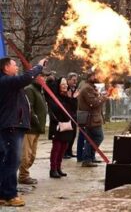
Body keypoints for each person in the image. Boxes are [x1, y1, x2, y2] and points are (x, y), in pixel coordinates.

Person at [0, 56, 45, 207]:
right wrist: (39, 66)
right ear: (6, 68)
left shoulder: (9, 83)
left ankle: (3, 194)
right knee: (12, 161)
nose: (17, 67)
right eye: (14, 65)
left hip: (12, 126)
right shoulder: (6, 81)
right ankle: (10, 195)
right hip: (11, 127)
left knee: (6, 161)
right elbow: (26, 77)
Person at [18, 73, 47, 185]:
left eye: (45, 77)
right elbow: (30, 109)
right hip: (30, 128)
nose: (44, 78)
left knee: (32, 155)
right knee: (26, 154)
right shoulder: (30, 90)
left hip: (37, 129)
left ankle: (24, 173)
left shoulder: (39, 90)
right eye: (42, 76)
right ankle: (23, 176)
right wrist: (37, 123)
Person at [78, 72, 108, 167]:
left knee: (91, 139)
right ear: (90, 77)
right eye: (95, 76)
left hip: (93, 118)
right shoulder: (87, 88)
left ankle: (90, 157)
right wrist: (103, 98)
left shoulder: (90, 87)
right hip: (91, 119)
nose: (97, 77)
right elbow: (93, 103)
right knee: (98, 137)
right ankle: (87, 158)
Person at [48, 77, 74, 178]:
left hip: (67, 126)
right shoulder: (54, 97)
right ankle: (53, 169)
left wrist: (71, 99)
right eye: (63, 84)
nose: (65, 85)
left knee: (63, 148)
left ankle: (59, 168)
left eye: (66, 84)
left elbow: (73, 110)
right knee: (56, 148)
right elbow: (56, 109)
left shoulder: (67, 96)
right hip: (58, 126)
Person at [63, 72, 79, 159]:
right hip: (67, 115)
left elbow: (75, 104)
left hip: (74, 115)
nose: (75, 81)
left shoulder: (75, 89)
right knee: (67, 134)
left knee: (73, 134)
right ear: (68, 80)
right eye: (73, 80)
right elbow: (68, 103)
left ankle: (70, 151)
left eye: (76, 80)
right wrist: (72, 98)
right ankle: (64, 152)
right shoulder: (65, 89)